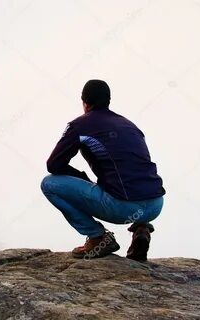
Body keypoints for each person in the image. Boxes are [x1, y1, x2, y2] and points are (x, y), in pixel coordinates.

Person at [40, 80, 165, 261]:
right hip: (155, 204)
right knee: (131, 179)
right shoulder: (129, 125)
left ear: (84, 102)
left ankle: (97, 237)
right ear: (108, 101)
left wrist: (82, 178)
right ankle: (141, 228)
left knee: (49, 183)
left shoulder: (79, 126)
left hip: (122, 207)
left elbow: (54, 165)